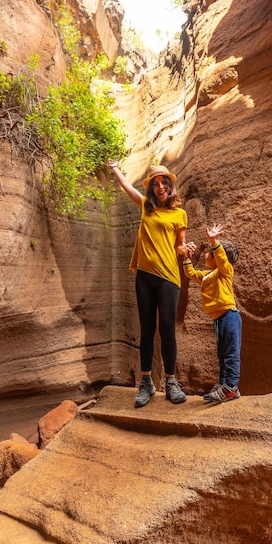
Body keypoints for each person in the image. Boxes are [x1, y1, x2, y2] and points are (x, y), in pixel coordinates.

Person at [107, 159, 188, 407]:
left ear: (170, 186)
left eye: (165, 182)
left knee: (166, 329)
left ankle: (171, 382)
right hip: (145, 276)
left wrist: (187, 249)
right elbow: (128, 188)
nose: (161, 187)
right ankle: (146, 383)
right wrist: (116, 168)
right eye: (156, 184)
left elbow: (180, 246)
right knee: (146, 329)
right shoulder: (146, 207)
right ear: (151, 188)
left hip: (168, 278)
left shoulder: (179, 213)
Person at [183, 223, 241, 403]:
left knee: (231, 354)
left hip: (230, 317)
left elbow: (223, 259)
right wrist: (187, 258)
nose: (206, 255)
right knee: (222, 355)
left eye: (210, 252)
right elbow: (191, 273)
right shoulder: (209, 275)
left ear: (217, 256)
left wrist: (214, 240)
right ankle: (223, 385)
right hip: (219, 321)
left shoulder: (225, 271)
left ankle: (231, 387)